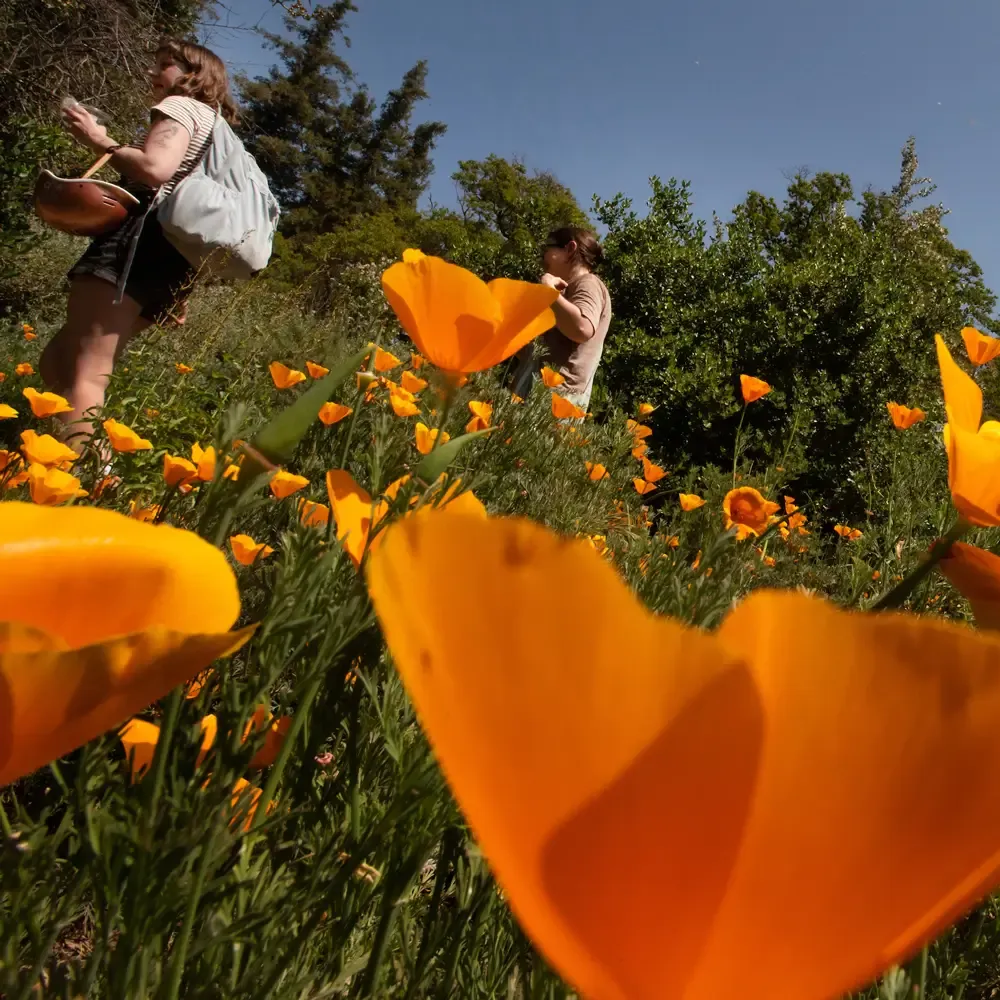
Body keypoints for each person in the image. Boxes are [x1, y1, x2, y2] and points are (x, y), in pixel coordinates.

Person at [41, 39, 238, 448]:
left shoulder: (181, 107)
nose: (153, 73)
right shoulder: (217, 129)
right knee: (58, 360)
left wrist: (101, 141)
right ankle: (87, 459)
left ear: (193, 74)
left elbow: (155, 168)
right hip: (173, 260)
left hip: (136, 244)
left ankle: (75, 482)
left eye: (165, 65)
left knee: (86, 370)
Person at [511, 227, 613, 411]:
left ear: (570, 248)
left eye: (547, 249)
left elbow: (581, 329)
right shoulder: (564, 292)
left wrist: (549, 291)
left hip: (556, 401)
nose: (543, 257)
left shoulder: (588, 283)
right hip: (540, 394)